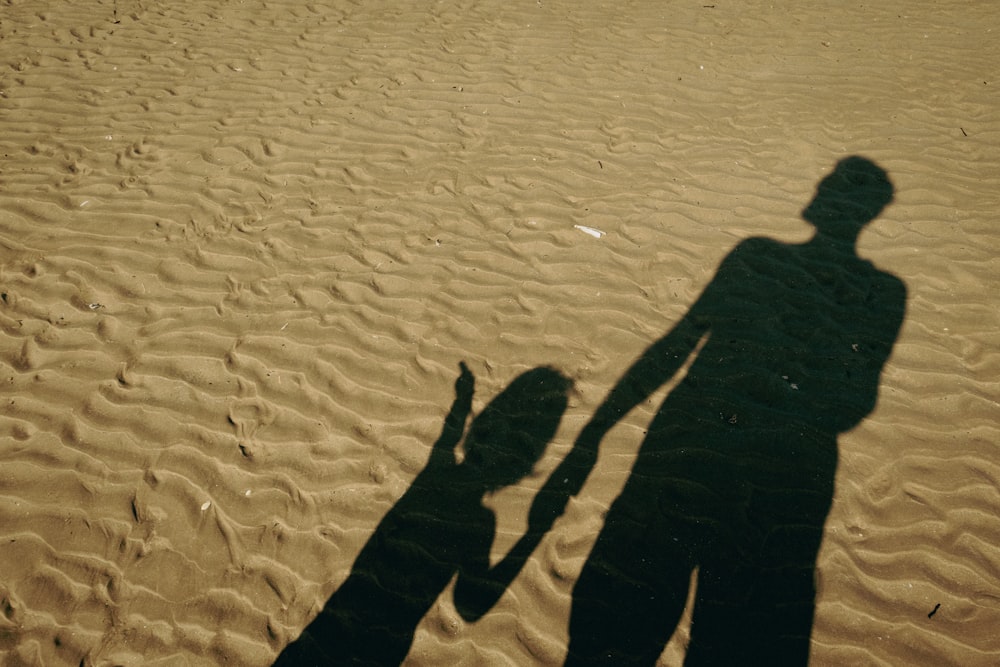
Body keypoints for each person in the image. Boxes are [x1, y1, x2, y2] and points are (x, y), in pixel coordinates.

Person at [548, 157, 907, 665]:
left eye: (827, 184)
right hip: (784, 467)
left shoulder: (758, 256)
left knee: (624, 626)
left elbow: (680, 341)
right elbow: (854, 404)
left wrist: (597, 431)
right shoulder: (883, 292)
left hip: (697, 444)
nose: (821, 190)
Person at [274, 361, 572, 666]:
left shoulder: (433, 478)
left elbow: (446, 441)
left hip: (320, 640)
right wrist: (536, 529)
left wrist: (463, 399)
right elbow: (471, 607)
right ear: (522, 469)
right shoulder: (480, 523)